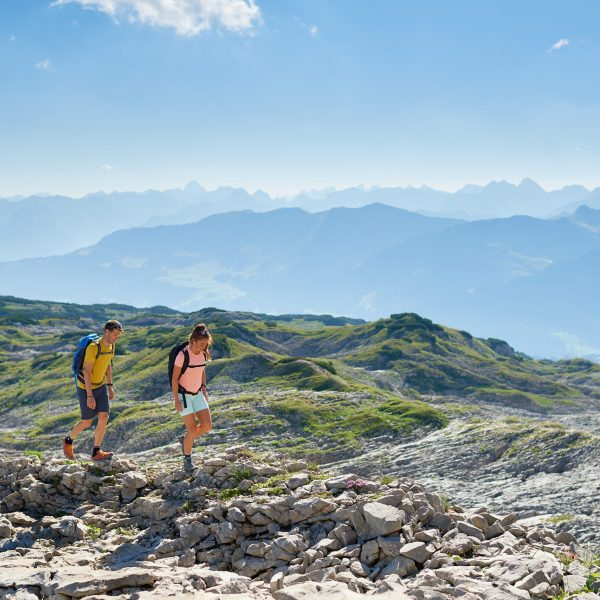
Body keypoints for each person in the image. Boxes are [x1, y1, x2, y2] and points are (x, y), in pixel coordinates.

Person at [63, 320, 123, 461]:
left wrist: (110, 386)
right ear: (106, 331)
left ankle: (96, 451)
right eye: (115, 335)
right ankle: (68, 440)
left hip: (100, 386)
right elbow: (87, 372)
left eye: (118, 336)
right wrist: (89, 396)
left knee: (104, 416)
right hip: (86, 387)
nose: (116, 338)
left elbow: (108, 365)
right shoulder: (93, 347)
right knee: (87, 422)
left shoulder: (111, 346)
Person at [171, 323, 213, 473]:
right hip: (184, 396)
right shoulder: (182, 355)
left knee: (207, 426)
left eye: (206, 344)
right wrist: (176, 400)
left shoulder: (203, 354)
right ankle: (187, 459)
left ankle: (186, 440)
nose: (203, 347)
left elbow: (202, 371)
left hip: (198, 394)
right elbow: (175, 379)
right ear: (193, 340)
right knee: (192, 429)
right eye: (202, 343)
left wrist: (204, 388)